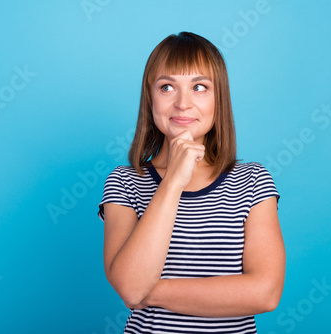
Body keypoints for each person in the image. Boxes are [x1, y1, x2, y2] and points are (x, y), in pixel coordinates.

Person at [97, 31, 285, 334]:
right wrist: (172, 182)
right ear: (151, 97)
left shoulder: (252, 180)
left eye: (199, 87)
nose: (183, 103)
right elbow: (131, 290)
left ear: (218, 98)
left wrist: (150, 291)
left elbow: (265, 293)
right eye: (167, 86)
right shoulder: (125, 182)